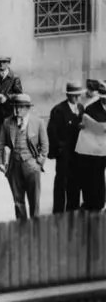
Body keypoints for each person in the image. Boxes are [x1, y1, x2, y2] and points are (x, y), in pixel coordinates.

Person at [0, 94, 48, 220]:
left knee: (34, 201)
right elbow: (0, 144)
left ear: (27, 108)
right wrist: (0, 162)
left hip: (32, 165)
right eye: (15, 107)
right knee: (18, 200)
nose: (17, 110)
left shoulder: (38, 122)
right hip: (14, 166)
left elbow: (45, 144)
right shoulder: (7, 122)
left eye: (20, 107)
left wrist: (39, 163)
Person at [47, 81, 85, 213]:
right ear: (68, 95)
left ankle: (72, 210)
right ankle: (58, 212)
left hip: (78, 152)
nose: (76, 98)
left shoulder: (81, 108)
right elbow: (52, 132)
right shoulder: (58, 110)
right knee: (61, 182)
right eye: (74, 95)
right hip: (64, 153)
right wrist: (59, 149)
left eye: (78, 95)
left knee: (75, 182)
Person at [74, 82, 106, 212]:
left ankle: (100, 202)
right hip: (94, 151)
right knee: (94, 176)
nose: (104, 99)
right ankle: (94, 203)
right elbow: (84, 126)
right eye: (103, 96)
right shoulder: (91, 108)